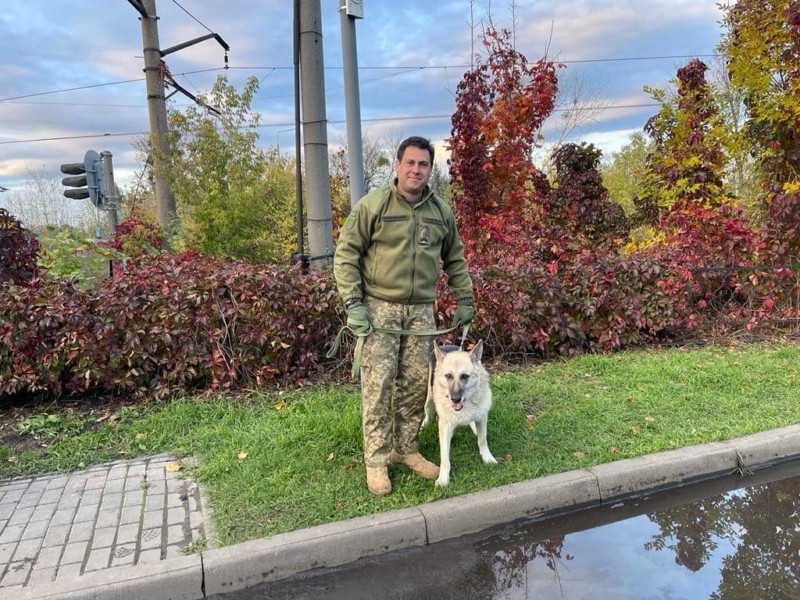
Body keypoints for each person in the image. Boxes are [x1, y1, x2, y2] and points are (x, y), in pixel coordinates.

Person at [333, 136, 475, 496]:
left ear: (430, 169)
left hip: (421, 312)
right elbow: (346, 255)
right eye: (410, 163)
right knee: (378, 387)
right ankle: (376, 461)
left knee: (415, 385)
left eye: (423, 164)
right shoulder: (373, 206)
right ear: (397, 166)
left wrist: (464, 298)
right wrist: (354, 304)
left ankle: (406, 449)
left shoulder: (440, 212)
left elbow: (455, 259)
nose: (416, 170)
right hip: (379, 308)